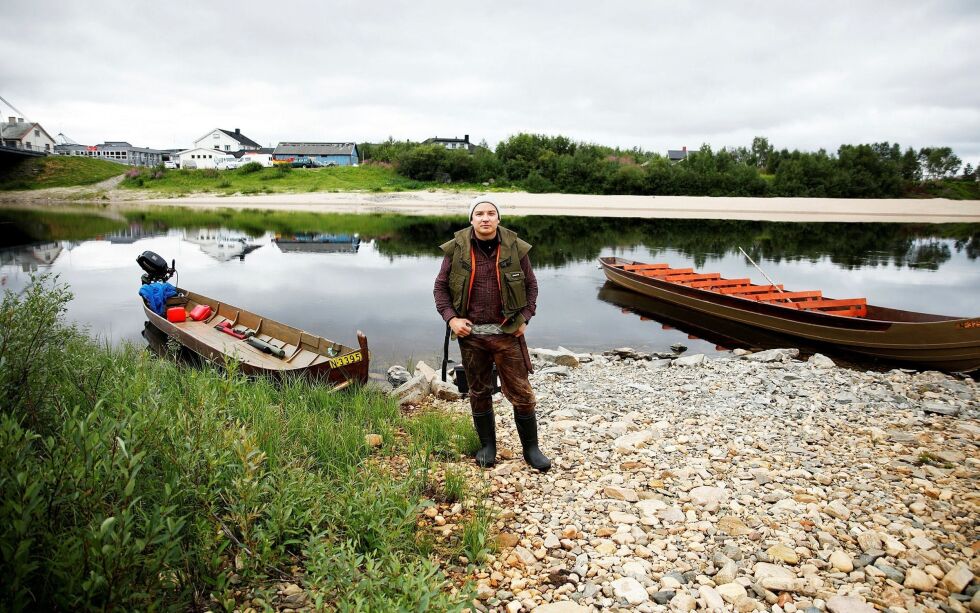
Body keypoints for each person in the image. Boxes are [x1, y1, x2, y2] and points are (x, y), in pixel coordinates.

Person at [433, 196, 551, 472]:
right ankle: (488, 446)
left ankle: (531, 449)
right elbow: (440, 290)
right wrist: (452, 319)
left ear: (498, 219)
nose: (485, 218)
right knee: (479, 391)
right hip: (472, 336)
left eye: (491, 213)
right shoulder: (456, 249)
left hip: (508, 334)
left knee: (522, 393)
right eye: (479, 214)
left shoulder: (516, 248)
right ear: (471, 219)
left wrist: (525, 318)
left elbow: (532, 288)